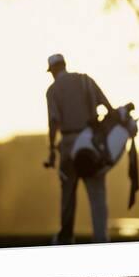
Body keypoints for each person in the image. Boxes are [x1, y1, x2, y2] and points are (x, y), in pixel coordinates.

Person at [45, 53, 113, 245]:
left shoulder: (53, 90)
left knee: (68, 197)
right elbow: (108, 107)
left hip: (68, 146)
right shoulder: (85, 80)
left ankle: (66, 239)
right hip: (91, 144)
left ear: (53, 70)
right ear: (64, 65)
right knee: (98, 196)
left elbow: (54, 122)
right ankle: (101, 239)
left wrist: (51, 150)